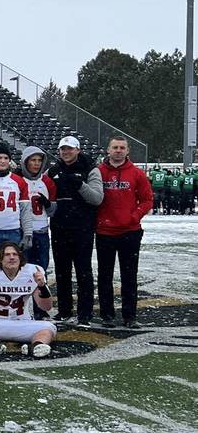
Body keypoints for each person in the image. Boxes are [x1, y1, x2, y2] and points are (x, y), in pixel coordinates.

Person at [96, 136, 153, 329]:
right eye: (115, 147)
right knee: (105, 275)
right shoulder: (99, 172)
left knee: (129, 275)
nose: (118, 150)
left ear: (127, 151)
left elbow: (147, 200)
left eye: (122, 147)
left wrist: (134, 216)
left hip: (130, 231)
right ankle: (107, 316)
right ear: (108, 150)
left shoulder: (137, 173)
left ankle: (130, 316)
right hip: (104, 231)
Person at [45, 136, 103, 325]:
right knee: (62, 271)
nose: (66, 152)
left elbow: (96, 198)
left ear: (78, 150)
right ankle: (64, 311)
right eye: (63, 149)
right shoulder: (53, 170)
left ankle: (85, 313)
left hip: (83, 228)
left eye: (70, 149)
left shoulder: (91, 169)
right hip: (59, 227)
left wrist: (79, 184)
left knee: (83, 271)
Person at [18, 147, 56, 273]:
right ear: (25, 161)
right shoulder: (17, 180)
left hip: (41, 231)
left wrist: (47, 204)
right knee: (22, 269)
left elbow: (52, 211)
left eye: (39, 160)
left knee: (40, 269)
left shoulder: (47, 182)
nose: (36, 163)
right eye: (33, 160)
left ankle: (40, 293)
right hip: (22, 231)